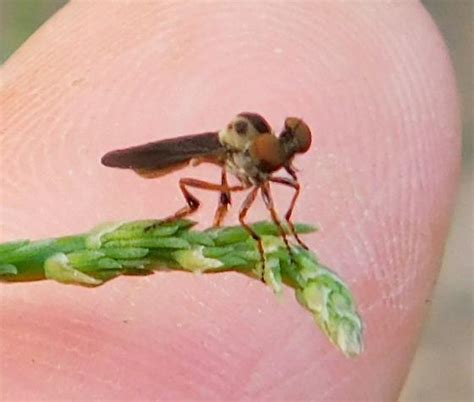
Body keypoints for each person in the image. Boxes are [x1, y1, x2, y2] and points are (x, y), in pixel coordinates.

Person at [0, 2, 460, 400]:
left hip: (235, 163)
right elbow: (246, 201)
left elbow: (276, 178)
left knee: (266, 195)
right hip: (207, 156)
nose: (276, 164)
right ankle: (190, 215)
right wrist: (266, 239)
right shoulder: (236, 152)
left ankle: (210, 223)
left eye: (281, 155)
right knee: (225, 202)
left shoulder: (270, 159)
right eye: (271, 156)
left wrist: (280, 188)